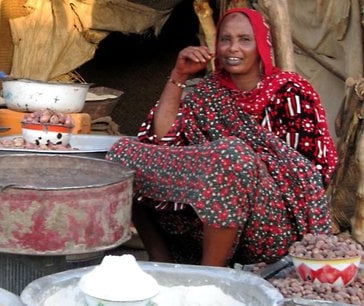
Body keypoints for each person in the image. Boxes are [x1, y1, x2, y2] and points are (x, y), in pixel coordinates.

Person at [106, 8, 338, 267]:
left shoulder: (290, 92)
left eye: (244, 40)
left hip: (275, 226)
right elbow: (164, 141)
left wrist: (245, 171)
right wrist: (179, 76)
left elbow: (310, 175)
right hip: (208, 218)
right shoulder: (208, 92)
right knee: (125, 153)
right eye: (226, 39)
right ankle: (161, 257)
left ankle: (211, 274)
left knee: (231, 155)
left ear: (261, 44)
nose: (232, 48)